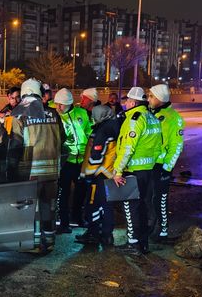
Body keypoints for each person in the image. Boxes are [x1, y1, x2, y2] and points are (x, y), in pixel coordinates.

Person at [10, 78, 63, 252]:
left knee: (33, 208)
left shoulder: (20, 115)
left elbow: (16, 144)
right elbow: (62, 138)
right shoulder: (54, 114)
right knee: (49, 205)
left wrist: (11, 168)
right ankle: (49, 241)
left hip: (32, 170)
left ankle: (33, 243)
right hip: (53, 170)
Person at [111, 86, 162, 255]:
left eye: (126, 101)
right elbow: (157, 146)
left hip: (133, 170)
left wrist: (118, 171)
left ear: (132, 102)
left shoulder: (134, 119)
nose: (124, 104)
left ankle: (133, 243)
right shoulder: (152, 118)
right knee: (143, 206)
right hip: (149, 170)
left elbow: (127, 148)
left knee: (131, 206)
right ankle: (143, 243)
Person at [77, 104, 120, 247]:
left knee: (92, 204)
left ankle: (93, 233)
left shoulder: (102, 130)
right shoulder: (116, 126)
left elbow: (96, 155)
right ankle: (107, 235)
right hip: (111, 173)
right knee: (107, 206)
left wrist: (88, 175)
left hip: (99, 174)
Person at [147, 83, 185, 242]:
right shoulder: (150, 114)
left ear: (160, 99)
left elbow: (177, 146)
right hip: (148, 164)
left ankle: (163, 231)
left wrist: (167, 168)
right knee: (148, 198)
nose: (148, 99)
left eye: (151, 96)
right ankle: (150, 225)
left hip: (161, 166)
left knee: (160, 199)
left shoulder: (174, 118)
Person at [54, 88, 92, 234]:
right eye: (57, 104)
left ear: (69, 104)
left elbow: (89, 133)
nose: (58, 107)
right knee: (63, 193)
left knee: (81, 191)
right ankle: (63, 223)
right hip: (66, 161)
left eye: (61, 105)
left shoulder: (81, 113)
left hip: (81, 160)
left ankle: (78, 218)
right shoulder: (56, 117)